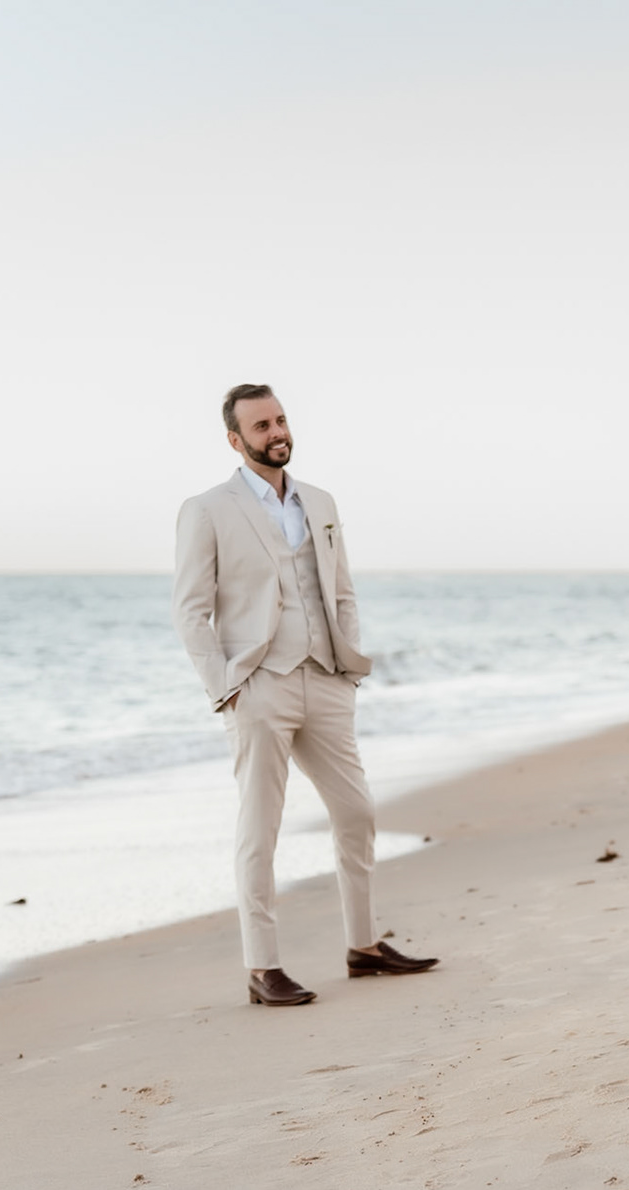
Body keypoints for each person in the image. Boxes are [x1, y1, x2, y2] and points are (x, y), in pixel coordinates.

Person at [173, 383, 436, 1007]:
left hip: (325, 679)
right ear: (236, 440)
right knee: (260, 828)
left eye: (281, 420)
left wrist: (347, 666)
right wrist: (227, 689)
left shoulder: (319, 501)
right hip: (259, 686)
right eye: (261, 426)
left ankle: (364, 946)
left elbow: (341, 591)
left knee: (357, 812)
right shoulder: (207, 510)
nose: (277, 432)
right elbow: (190, 612)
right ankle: (262, 967)